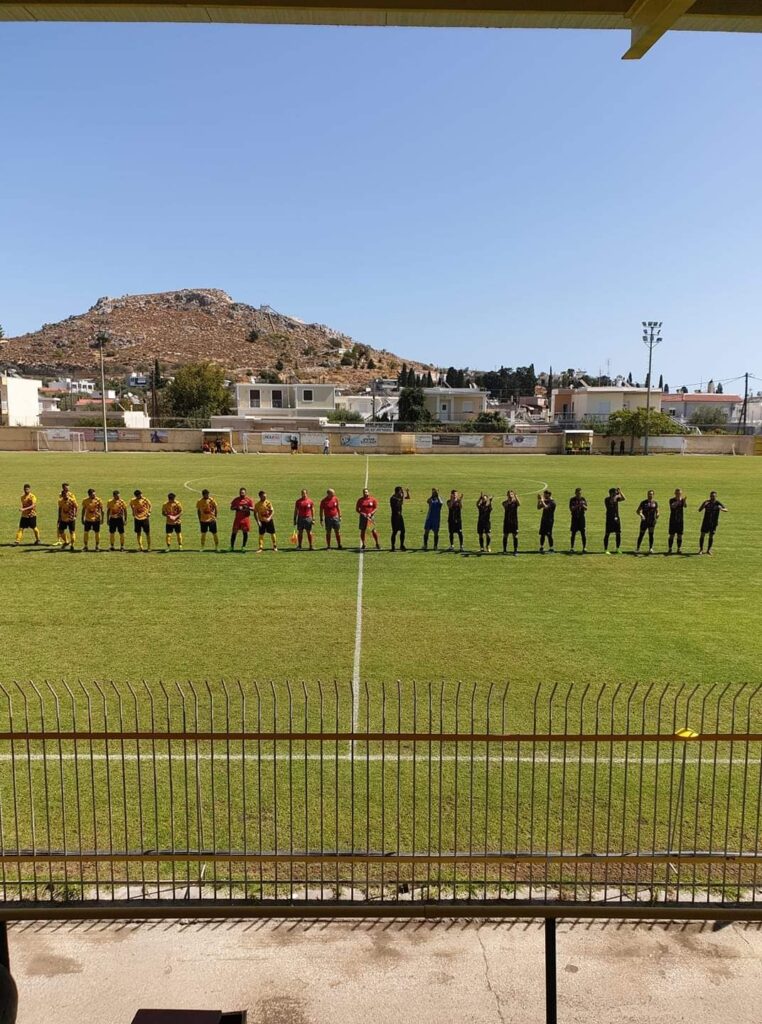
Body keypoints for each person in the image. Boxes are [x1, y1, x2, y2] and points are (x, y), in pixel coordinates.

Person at [698, 490, 727, 555]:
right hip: (705, 522)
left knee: (711, 536)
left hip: (713, 522)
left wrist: (721, 509)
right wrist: (703, 505)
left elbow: (726, 509)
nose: (712, 497)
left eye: (713, 496)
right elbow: (699, 510)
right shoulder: (706, 502)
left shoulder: (718, 503)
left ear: (716, 496)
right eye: (711, 496)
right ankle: (701, 549)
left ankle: (709, 550)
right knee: (702, 535)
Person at [636, 489, 659, 554]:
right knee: (641, 535)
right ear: (647, 495)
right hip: (644, 521)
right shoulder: (643, 502)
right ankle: (637, 548)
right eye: (649, 494)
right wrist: (641, 515)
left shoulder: (655, 503)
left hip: (652, 521)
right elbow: (638, 511)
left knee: (651, 535)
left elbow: (657, 511)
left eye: (651, 494)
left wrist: (657, 515)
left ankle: (650, 548)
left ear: (653, 495)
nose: (650, 495)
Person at [604, 487, 625, 554]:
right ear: (611, 493)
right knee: (607, 534)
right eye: (615, 492)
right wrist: (616, 496)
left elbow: (624, 498)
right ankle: (606, 549)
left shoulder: (616, 498)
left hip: (616, 518)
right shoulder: (607, 499)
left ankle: (617, 548)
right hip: (609, 519)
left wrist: (620, 492)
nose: (616, 494)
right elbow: (611, 501)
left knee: (618, 533)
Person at [57, 483, 78, 550]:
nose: (66, 495)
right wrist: (59, 517)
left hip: (70, 518)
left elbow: (76, 507)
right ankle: (66, 542)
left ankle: (72, 545)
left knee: (72, 532)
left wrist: (75, 515)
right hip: (63, 518)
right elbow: (60, 508)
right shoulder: (60, 501)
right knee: (61, 531)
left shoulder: (72, 499)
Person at [389, 486, 410, 551]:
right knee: (394, 532)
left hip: (400, 516)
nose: (401, 492)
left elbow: (408, 497)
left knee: (403, 531)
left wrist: (407, 492)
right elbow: (399, 504)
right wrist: (402, 496)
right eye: (401, 491)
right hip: (395, 517)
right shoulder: (393, 498)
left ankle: (401, 545)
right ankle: (393, 546)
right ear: (398, 491)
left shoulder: (399, 497)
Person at [667, 488, 687, 555]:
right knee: (671, 535)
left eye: (679, 493)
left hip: (680, 520)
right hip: (673, 520)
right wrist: (679, 501)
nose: (678, 494)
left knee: (679, 535)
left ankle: (679, 549)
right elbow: (673, 506)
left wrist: (684, 501)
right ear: (675, 493)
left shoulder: (682, 500)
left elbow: (685, 506)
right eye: (677, 493)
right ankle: (670, 548)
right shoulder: (671, 500)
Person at [568, 488, 587, 553]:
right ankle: (572, 548)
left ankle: (584, 548)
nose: (579, 494)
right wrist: (578, 505)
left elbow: (586, 508)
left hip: (581, 518)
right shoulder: (572, 499)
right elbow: (571, 509)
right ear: (575, 493)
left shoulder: (583, 499)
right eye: (578, 493)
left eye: (580, 493)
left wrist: (583, 506)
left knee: (583, 533)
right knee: (573, 533)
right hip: (574, 518)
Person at [502, 490, 520, 555]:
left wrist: (516, 497)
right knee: (505, 535)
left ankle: (515, 550)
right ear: (507, 495)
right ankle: (504, 550)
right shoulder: (504, 502)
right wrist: (509, 501)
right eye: (509, 494)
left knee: (515, 536)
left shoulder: (515, 502)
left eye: (511, 494)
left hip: (514, 521)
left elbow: (519, 504)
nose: (510, 495)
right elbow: (505, 506)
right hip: (507, 521)